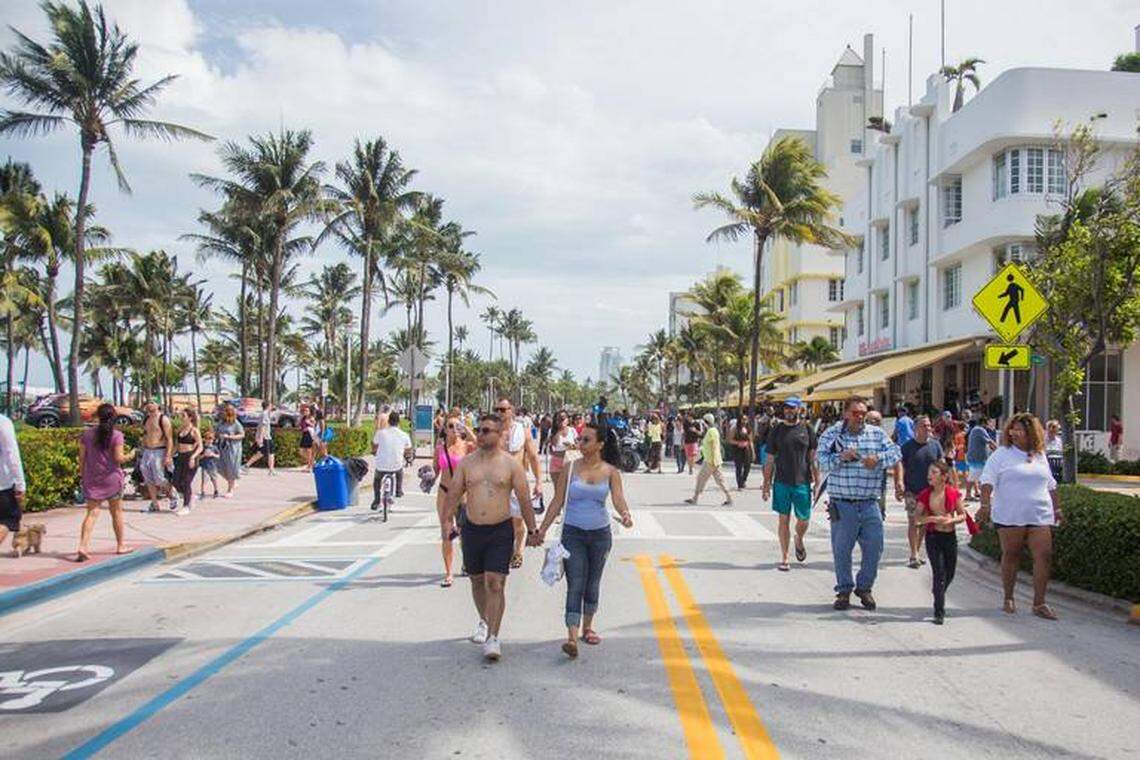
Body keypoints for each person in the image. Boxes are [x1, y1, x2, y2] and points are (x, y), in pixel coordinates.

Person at [442, 413, 540, 661]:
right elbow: (453, 493)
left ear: (499, 435)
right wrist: (446, 522)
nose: (481, 434)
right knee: (476, 581)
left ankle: (493, 637)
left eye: (487, 431)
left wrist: (532, 530)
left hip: (500, 529)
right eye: (480, 430)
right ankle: (485, 620)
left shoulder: (511, 465)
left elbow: (524, 499)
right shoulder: (467, 463)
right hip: (472, 528)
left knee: (495, 582)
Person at [537, 422, 633, 658]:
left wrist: (626, 514)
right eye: (580, 439)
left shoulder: (610, 472)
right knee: (576, 582)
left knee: (593, 582)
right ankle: (571, 636)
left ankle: (588, 627)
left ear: (600, 444)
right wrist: (542, 530)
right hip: (573, 533)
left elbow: (618, 499)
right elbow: (557, 502)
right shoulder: (569, 469)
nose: (580, 443)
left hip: (600, 534)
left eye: (587, 440)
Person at [816, 397, 902, 611]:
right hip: (843, 504)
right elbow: (820, 461)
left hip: (869, 502)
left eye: (863, 413)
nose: (859, 417)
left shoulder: (876, 434)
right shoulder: (832, 434)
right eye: (855, 413)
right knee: (842, 550)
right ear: (845, 413)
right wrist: (841, 457)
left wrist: (879, 459)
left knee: (875, 547)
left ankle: (864, 587)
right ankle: (844, 590)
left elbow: (896, 453)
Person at [977, 413, 1062, 620]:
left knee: (1044, 555)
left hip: (1039, 514)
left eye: (1020, 430)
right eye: (1012, 429)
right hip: (1010, 514)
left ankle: (1039, 603)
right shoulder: (1002, 454)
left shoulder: (1040, 455)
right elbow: (987, 480)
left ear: (1031, 432)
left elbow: (1051, 484)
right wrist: (985, 504)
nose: (1015, 433)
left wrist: (1057, 509)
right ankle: (1008, 597)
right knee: (1011, 555)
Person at [762, 397, 818, 571]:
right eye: (786, 408)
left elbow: (813, 458)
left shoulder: (807, 429)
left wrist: (818, 481)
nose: (788, 411)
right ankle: (785, 557)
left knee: (804, 519)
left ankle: (799, 538)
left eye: (792, 408)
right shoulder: (777, 430)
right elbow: (770, 459)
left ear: (799, 409)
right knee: (783, 519)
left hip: (802, 481)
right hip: (781, 482)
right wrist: (766, 483)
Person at [77, 404, 134, 560]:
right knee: (116, 513)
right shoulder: (117, 435)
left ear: (98, 416)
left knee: (92, 513)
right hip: (112, 479)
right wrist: (131, 455)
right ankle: (120, 545)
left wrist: (82, 475)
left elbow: (82, 458)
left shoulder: (87, 435)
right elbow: (119, 458)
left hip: (92, 478)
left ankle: (83, 546)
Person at [914, 460, 967, 624]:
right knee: (939, 573)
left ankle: (939, 592)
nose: (930, 475)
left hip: (949, 537)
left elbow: (963, 514)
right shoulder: (925, 495)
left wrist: (951, 520)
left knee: (949, 572)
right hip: (933, 537)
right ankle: (939, 612)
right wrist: (933, 518)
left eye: (934, 472)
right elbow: (917, 518)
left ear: (944, 477)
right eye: (929, 472)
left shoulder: (952, 493)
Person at [494, 399, 543, 569]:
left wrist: (538, 482)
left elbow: (533, 457)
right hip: (497, 482)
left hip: (518, 481)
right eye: (497, 410)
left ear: (511, 411)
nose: (499, 413)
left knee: (517, 520)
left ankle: (519, 551)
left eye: (502, 409)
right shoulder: (493, 431)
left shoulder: (523, 431)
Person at [434, 412, 475, 587]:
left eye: (457, 426)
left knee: (465, 532)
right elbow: (436, 468)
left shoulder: (467, 446)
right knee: (446, 533)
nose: (454, 429)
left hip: (463, 494)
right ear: (444, 429)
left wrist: (466, 429)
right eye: (450, 426)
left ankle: (466, 562)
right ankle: (449, 572)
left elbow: (481, 445)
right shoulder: (439, 447)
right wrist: (429, 476)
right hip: (444, 492)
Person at [897, 415, 943, 569]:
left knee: (924, 523)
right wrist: (900, 484)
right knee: (913, 521)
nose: (928, 428)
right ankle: (913, 554)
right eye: (924, 425)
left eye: (929, 425)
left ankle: (917, 549)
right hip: (912, 491)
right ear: (916, 428)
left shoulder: (936, 445)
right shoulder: (907, 447)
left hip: (929, 492)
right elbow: (900, 466)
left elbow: (941, 465)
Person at [685, 413, 733, 506]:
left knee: (700, 479)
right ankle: (729, 498)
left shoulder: (711, 431)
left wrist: (713, 459)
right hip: (714, 460)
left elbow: (714, 445)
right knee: (720, 480)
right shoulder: (712, 430)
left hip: (710, 461)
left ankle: (695, 498)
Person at [371, 406, 413, 511]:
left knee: (377, 480)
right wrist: (407, 456)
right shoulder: (404, 435)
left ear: (388, 421)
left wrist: (374, 451)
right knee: (399, 471)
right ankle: (398, 490)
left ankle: (376, 499)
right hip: (396, 464)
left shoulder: (380, 433)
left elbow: (374, 445)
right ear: (399, 422)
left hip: (381, 465)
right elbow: (408, 449)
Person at [139, 402, 174, 513]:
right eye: (148, 403)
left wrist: (168, 456)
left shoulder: (163, 419)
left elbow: (169, 438)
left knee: (159, 478)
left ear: (158, 405)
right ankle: (154, 503)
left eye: (152, 403)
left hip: (159, 450)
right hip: (147, 451)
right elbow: (145, 434)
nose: (149, 405)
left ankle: (172, 494)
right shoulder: (146, 419)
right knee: (148, 478)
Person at [0, 411, 26, 556]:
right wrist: (20, 484)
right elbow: (12, 454)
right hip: (2, 483)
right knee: (7, 521)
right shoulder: (3, 422)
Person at [172, 408, 203, 515]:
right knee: (175, 481)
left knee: (186, 481)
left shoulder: (194, 430)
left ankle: (186, 506)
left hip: (190, 456)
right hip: (180, 457)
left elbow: (200, 447)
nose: (181, 418)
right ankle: (190, 496)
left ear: (190, 418)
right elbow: (177, 446)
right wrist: (169, 456)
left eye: (183, 416)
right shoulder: (180, 430)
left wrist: (193, 457)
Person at [965, 415, 997, 502]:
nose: (988, 426)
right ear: (983, 423)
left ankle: (976, 492)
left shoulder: (975, 429)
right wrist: (998, 451)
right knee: (975, 476)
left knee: (976, 476)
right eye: (987, 423)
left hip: (975, 457)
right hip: (977, 458)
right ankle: (969, 494)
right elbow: (990, 442)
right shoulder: (980, 430)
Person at [214, 404, 244, 498]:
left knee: (231, 468)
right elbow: (215, 432)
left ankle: (230, 489)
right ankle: (232, 481)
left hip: (232, 448)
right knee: (220, 467)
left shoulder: (235, 423)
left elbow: (242, 434)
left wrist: (230, 437)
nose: (224, 413)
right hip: (222, 447)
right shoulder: (221, 423)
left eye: (226, 411)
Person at [243, 401, 276, 476]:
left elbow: (274, 410)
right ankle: (246, 465)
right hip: (264, 437)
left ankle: (271, 470)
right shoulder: (264, 414)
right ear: (268, 406)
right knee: (261, 453)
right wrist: (260, 438)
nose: (272, 406)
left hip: (268, 437)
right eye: (270, 405)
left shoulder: (266, 414)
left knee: (271, 453)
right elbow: (262, 427)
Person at [729, 417, 755, 490]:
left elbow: (751, 441)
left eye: (746, 419)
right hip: (737, 450)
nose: (744, 421)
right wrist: (738, 443)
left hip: (746, 449)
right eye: (743, 419)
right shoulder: (734, 428)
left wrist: (753, 452)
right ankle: (739, 484)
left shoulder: (748, 428)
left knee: (748, 466)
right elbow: (730, 440)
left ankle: (743, 480)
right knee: (739, 467)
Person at [548, 412, 577, 477]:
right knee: (557, 487)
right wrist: (559, 431)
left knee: (568, 486)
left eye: (563, 418)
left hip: (569, 462)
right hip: (556, 461)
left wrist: (571, 446)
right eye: (559, 419)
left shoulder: (572, 431)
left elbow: (578, 446)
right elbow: (552, 448)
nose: (561, 421)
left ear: (568, 420)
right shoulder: (553, 431)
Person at [198, 428, 221, 499]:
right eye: (207, 438)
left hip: (212, 466)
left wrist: (213, 454)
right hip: (204, 466)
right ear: (204, 439)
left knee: (214, 479)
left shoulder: (214, 448)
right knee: (204, 480)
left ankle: (216, 490)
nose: (209, 440)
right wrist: (203, 455)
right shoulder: (203, 448)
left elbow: (218, 456)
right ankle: (203, 492)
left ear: (213, 439)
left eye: (210, 439)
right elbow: (199, 457)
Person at [299, 406, 316, 472]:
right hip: (304, 434)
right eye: (304, 411)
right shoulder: (303, 418)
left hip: (309, 434)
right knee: (301, 451)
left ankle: (309, 466)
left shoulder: (311, 418)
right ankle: (311, 462)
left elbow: (314, 425)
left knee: (309, 451)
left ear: (309, 412)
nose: (305, 412)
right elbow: (301, 426)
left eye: (307, 411)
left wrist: (309, 423)